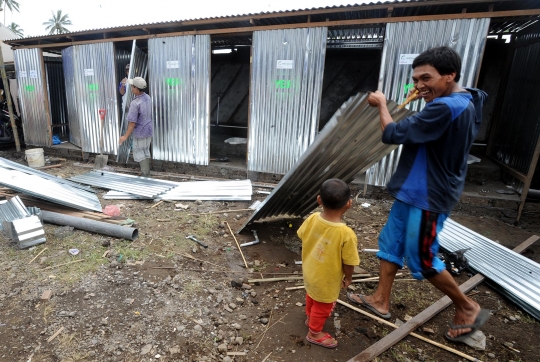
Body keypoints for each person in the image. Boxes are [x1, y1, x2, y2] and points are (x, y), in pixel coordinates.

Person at [348, 46, 489, 343]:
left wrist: (382, 105)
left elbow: (393, 134)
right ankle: (380, 300)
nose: (419, 85)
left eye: (427, 78)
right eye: (416, 79)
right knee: (391, 243)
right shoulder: (461, 100)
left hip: (429, 195)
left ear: (451, 75)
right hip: (413, 190)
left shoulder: (446, 106)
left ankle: (468, 307)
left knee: (423, 259)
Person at [297, 178, 360, 348]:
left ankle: (310, 318)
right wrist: (348, 277)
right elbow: (349, 262)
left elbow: (302, 235)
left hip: (310, 271)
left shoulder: (312, 218)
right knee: (324, 305)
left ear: (319, 200)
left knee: (312, 295)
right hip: (327, 279)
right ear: (349, 204)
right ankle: (314, 333)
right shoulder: (346, 234)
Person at [118, 77, 152, 177]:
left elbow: (132, 123)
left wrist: (125, 136)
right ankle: (146, 172)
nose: (131, 88)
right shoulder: (147, 97)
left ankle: (146, 175)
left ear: (136, 88)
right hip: (148, 130)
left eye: (132, 86)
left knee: (140, 152)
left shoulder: (135, 103)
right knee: (145, 150)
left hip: (140, 132)